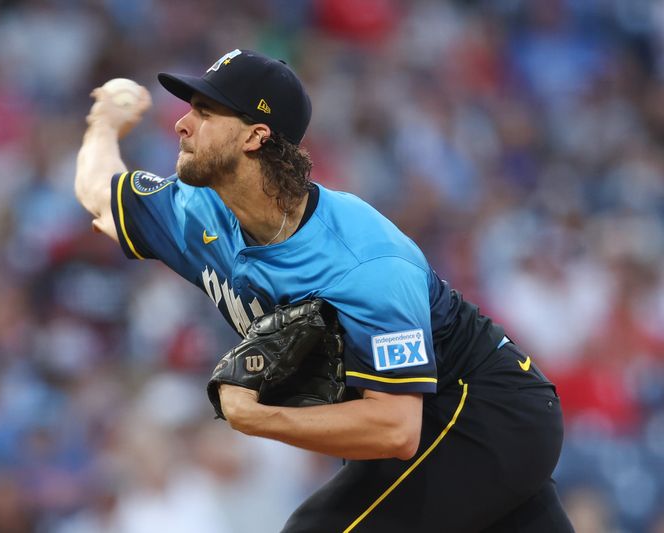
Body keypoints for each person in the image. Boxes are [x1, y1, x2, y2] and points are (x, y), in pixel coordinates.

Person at [74, 49, 574, 532]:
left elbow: (397, 428)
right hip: (424, 429)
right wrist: (104, 122)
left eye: (205, 111)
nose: (182, 123)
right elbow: (100, 194)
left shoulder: (363, 260)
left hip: (480, 415)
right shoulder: (195, 211)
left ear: (255, 136)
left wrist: (255, 416)